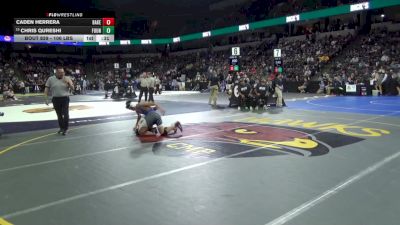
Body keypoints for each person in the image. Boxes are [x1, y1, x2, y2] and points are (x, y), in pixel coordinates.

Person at [44, 66, 74, 135]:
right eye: (60, 72)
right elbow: (46, 89)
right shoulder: (50, 79)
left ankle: (66, 129)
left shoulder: (67, 78)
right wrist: (46, 99)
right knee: (59, 115)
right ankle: (61, 128)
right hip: (55, 99)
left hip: (65, 98)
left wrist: (69, 84)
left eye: (63, 72)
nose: (62, 74)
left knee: (66, 114)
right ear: (56, 72)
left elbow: (73, 89)